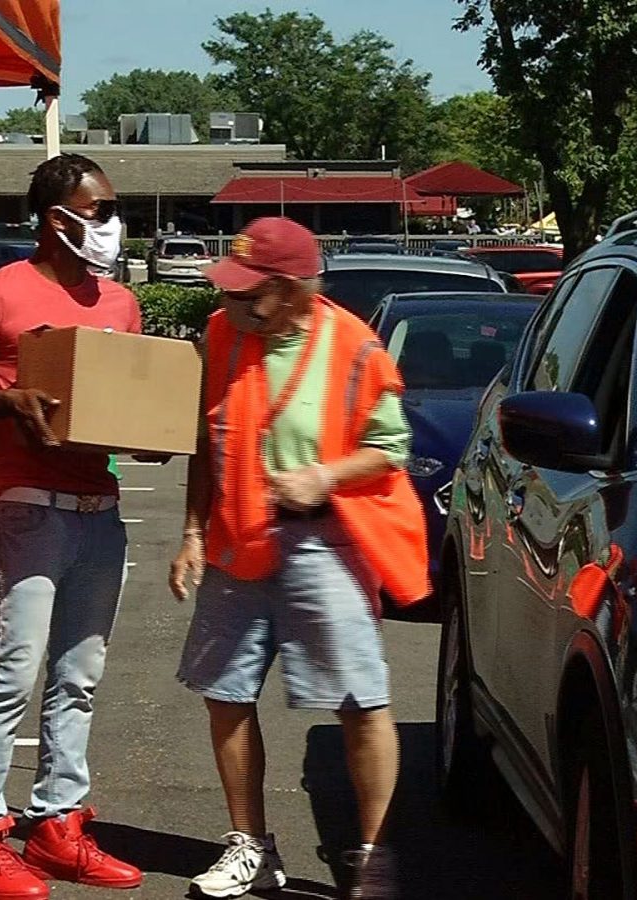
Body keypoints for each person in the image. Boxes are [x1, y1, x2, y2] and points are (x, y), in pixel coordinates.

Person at [169, 217, 430, 900]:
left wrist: (326, 476)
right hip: (236, 538)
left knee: (361, 703)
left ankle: (372, 858)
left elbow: (392, 447)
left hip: (323, 540)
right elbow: (205, 441)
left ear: (288, 291)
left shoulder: (354, 347)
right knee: (224, 696)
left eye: (243, 294)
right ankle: (250, 845)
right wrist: (193, 532)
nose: (226, 305)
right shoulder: (222, 337)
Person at [0, 154, 145, 899]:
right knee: (13, 675)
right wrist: (11, 401)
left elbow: (132, 400)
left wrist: (151, 431)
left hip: (101, 506)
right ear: (54, 217)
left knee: (79, 678)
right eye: (99, 210)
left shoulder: (118, 302)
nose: (109, 224)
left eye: (110, 210)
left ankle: (58, 823)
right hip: (27, 502)